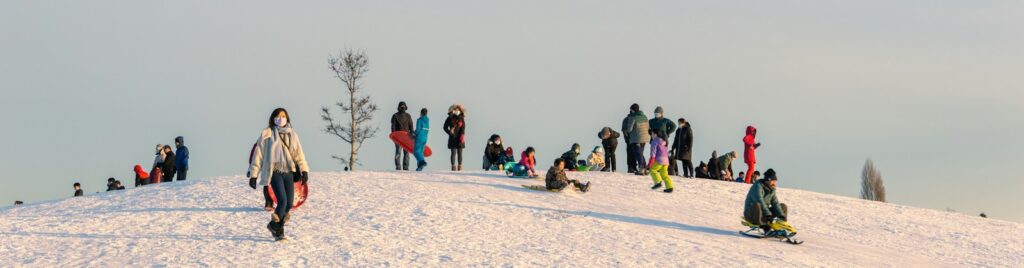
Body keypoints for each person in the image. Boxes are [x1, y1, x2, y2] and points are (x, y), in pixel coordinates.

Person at [247, 108, 310, 241]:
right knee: (282, 201)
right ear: (273, 118)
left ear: (287, 118)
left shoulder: (293, 135)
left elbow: (299, 154)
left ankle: (275, 225)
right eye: (278, 116)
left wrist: (304, 170)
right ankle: (278, 231)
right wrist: (254, 175)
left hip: (289, 172)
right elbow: (258, 155)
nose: (280, 119)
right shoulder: (267, 134)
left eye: (283, 116)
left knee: (289, 203)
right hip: (275, 171)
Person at [621, 103, 651, 175]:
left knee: (638, 154)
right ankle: (645, 168)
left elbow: (629, 129)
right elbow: (648, 127)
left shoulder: (632, 118)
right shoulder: (644, 117)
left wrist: (628, 135)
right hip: (645, 138)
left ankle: (641, 169)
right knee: (640, 153)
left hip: (636, 138)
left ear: (632, 110)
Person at [249, 142, 274, 211]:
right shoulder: (263, 140)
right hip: (267, 166)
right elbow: (254, 157)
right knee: (267, 184)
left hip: (282, 167)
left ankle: (284, 203)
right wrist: (253, 174)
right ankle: (269, 203)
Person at [442, 104, 467, 171]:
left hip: (460, 138)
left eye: (458, 110)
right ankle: (453, 167)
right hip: (452, 137)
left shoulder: (461, 118)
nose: (457, 111)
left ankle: (460, 168)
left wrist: (462, 135)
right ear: (453, 110)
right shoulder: (449, 118)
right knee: (453, 153)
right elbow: (444, 127)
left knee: (460, 153)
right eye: (455, 109)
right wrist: (449, 132)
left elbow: (463, 128)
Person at [391, 101, 414, 170]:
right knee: (402, 152)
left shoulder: (397, 116)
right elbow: (411, 127)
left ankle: (402, 167)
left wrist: (393, 136)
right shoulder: (396, 116)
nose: (402, 108)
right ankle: (402, 167)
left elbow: (411, 126)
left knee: (401, 152)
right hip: (402, 137)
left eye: (403, 106)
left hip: (402, 137)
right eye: (402, 106)